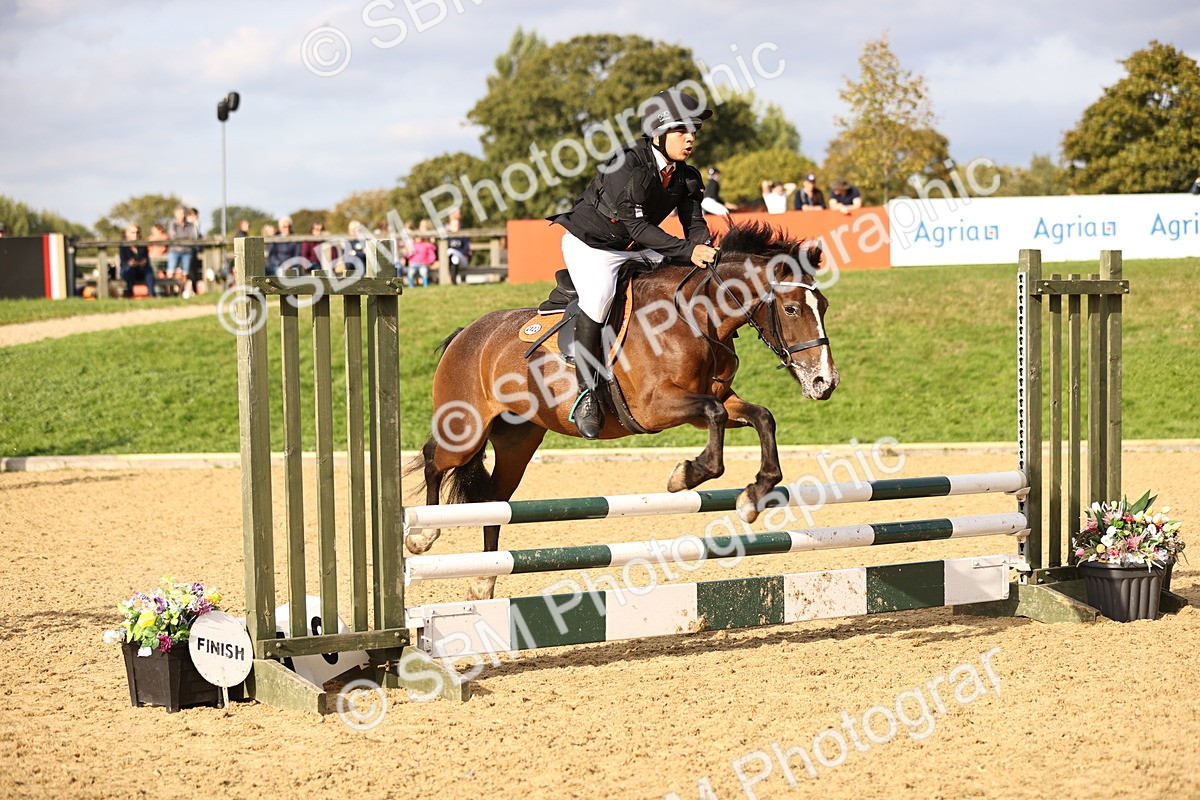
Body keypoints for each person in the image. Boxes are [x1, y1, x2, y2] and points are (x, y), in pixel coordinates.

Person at [550, 88, 717, 439]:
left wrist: (703, 249)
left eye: (694, 130)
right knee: (599, 298)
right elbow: (638, 227)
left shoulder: (687, 176)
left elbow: (694, 224)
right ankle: (586, 395)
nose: (690, 138)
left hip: (636, 246)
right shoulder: (626, 166)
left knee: (685, 279)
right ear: (657, 133)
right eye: (681, 130)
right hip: (593, 246)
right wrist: (687, 251)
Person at [118, 225, 156, 298]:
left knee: (148, 270)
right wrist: (137, 262)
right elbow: (125, 262)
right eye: (133, 232)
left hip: (140, 270)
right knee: (129, 270)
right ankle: (130, 294)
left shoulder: (142, 245)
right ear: (127, 234)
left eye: (137, 232)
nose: (135, 234)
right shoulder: (123, 246)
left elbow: (146, 260)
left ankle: (151, 294)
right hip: (128, 270)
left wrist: (136, 262)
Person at [166, 205, 197, 283]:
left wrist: (179, 237)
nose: (182, 215)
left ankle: (182, 289)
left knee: (185, 274)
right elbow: (173, 236)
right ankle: (170, 289)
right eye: (180, 213)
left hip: (187, 251)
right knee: (171, 272)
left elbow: (193, 237)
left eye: (183, 213)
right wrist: (185, 237)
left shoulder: (191, 225)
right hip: (174, 251)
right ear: (176, 214)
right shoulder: (173, 224)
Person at [445, 209, 471, 283]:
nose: (455, 227)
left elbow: (466, 250)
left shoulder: (463, 235)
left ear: (459, 225)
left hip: (462, 259)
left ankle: (456, 280)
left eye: (456, 225)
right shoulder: (447, 237)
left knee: (452, 254)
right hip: (452, 260)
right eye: (453, 225)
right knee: (454, 258)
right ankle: (453, 281)